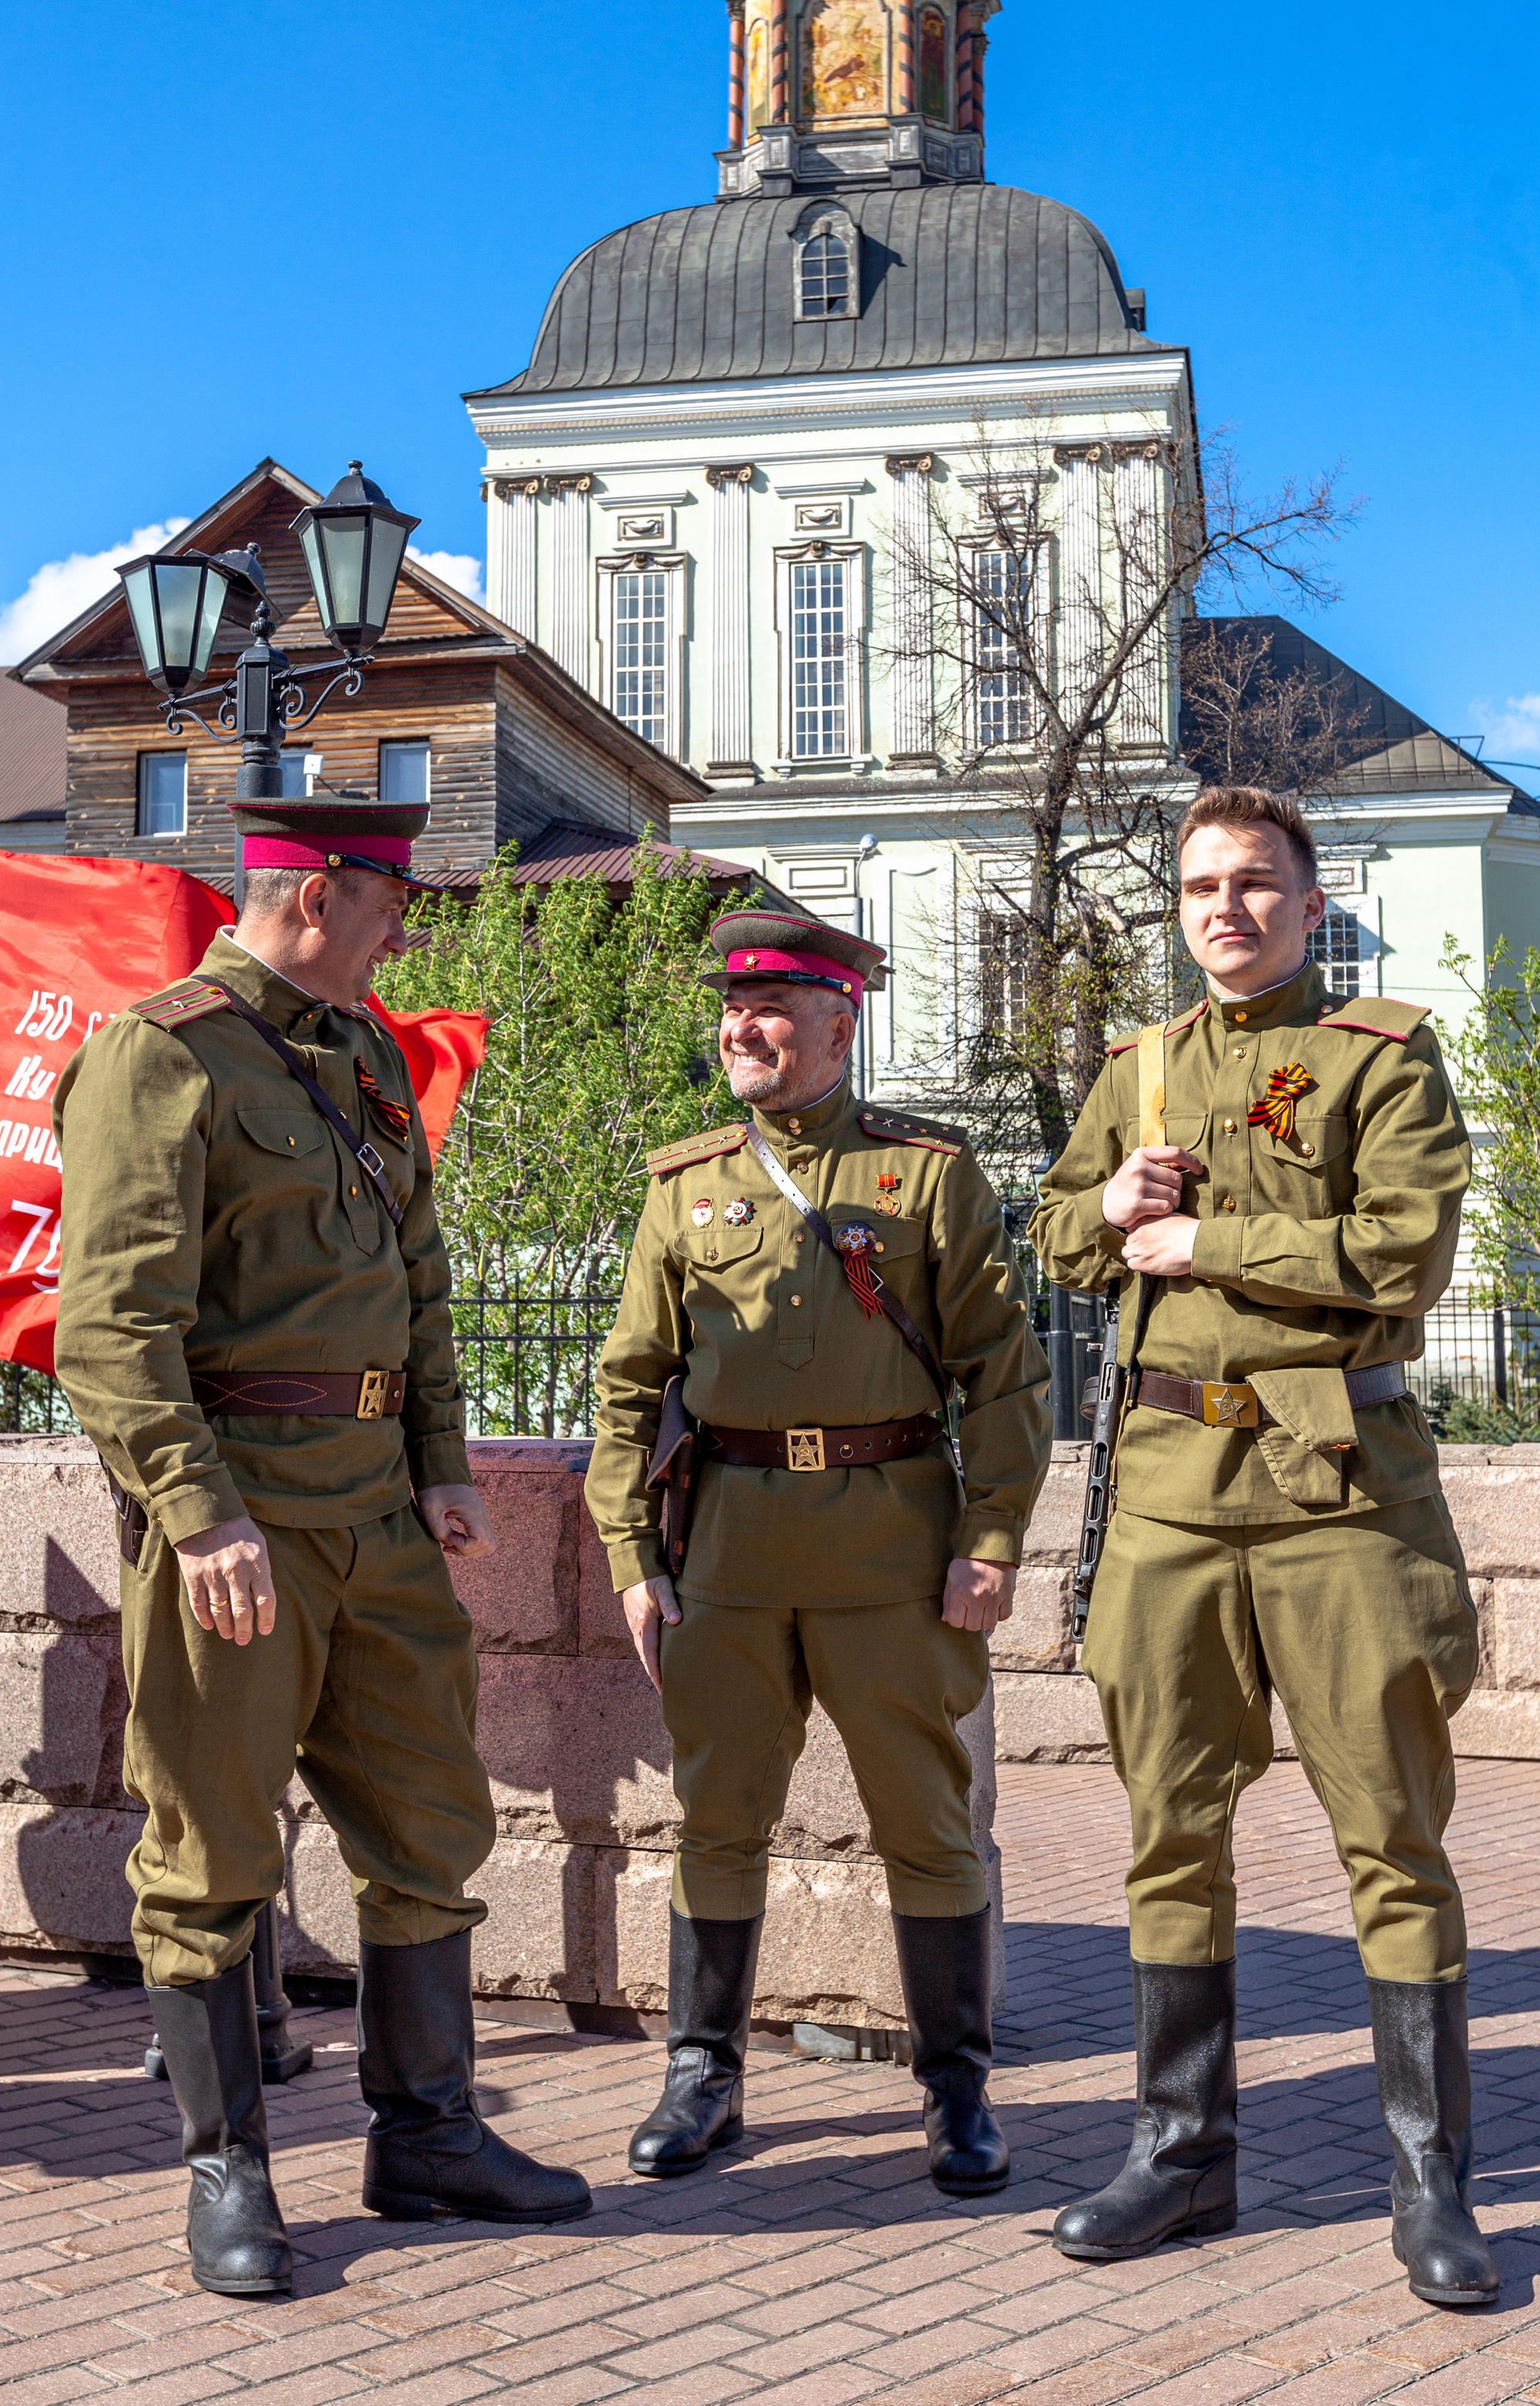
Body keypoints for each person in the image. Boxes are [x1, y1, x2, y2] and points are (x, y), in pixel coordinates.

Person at [52, 795, 590, 2298]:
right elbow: (109, 1325)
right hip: (240, 1517)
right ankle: (228, 2173)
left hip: (374, 1515)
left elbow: (415, 1271)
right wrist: (196, 1510)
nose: (406, 928)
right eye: (389, 902)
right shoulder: (163, 1053)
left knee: (430, 1829)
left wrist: (435, 1461)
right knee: (213, 1849)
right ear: (311, 899)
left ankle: (424, 2135)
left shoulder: (355, 1053)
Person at [1030, 785, 1495, 2308]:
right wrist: (1103, 1205)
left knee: (1389, 1837)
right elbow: (1047, 1240)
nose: (1223, 909)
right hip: (1165, 1488)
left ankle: (1429, 2182)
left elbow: (1398, 1259)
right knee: (1168, 1828)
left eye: (1253, 884)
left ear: (1309, 902)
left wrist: (1199, 1243)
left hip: (1334, 1486)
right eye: (1197, 889)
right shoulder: (1138, 1068)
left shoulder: (1377, 1059)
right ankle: (1181, 2154)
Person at [590, 910, 1051, 2196]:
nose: (746, 1028)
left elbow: (1006, 1379)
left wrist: (994, 1536)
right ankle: (703, 2074)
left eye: (777, 1008)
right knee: (718, 1817)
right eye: (736, 1009)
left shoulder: (929, 1177)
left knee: (926, 1824)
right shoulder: (681, 1185)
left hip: (892, 1546)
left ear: (843, 1023)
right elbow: (631, 1386)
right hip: (729, 1547)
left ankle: (956, 2090)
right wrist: (634, 1555)